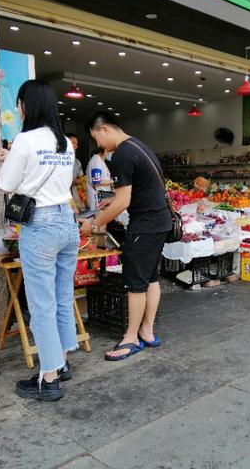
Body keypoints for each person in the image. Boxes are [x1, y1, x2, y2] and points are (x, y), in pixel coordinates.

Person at [0, 80, 79, 401]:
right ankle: (62, 361)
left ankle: (49, 378)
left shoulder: (25, 139)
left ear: (26, 106)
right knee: (60, 296)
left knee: (40, 303)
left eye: (19, 103)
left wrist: (7, 158)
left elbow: (6, 183)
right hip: (67, 223)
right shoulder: (65, 143)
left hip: (40, 224)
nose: (18, 109)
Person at [81, 111, 171, 361]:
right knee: (150, 278)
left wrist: (95, 224)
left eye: (97, 138)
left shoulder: (120, 154)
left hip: (145, 225)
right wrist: (111, 199)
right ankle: (147, 331)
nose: (99, 145)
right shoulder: (139, 145)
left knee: (135, 284)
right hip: (160, 221)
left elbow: (124, 201)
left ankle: (130, 338)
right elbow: (139, 189)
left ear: (105, 130)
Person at [66, 132, 84, 213]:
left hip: (74, 195)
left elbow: (81, 177)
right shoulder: (58, 162)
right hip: (64, 199)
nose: (76, 146)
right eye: (73, 143)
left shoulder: (77, 162)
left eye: (76, 144)